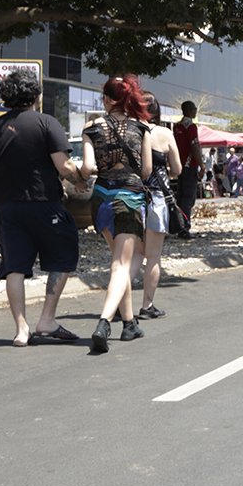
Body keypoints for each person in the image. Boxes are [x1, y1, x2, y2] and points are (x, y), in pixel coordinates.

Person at [0, 67, 85, 346]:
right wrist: (80, 180)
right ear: (36, 95)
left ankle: (21, 329)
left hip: (7, 210)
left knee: (14, 267)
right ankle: (47, 320)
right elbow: (64, 166)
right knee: (63, 258)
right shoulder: (46, 123)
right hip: (45, 205)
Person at [81, 75, 154, 353]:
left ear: (108, 100)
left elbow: (88, 168)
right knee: (121, 266)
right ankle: (104, 322)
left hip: (101, 199)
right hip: (130, 198)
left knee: (118, 263)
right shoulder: (142, 127)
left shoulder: (92, 128)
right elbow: (146, 171)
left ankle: (129, 323)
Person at [137, 94, 182, 319]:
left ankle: (118, 304)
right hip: (156, 199)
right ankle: (147, 306)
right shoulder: (164, 134)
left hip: (130, 197)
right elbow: (177, 169)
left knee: (129, 257)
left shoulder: (129, 131)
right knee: (153, 257)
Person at [172, 100, 202, 237]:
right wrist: (201, 164)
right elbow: (194, 146)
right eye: (195, 109)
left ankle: (178, 224)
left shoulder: (176, 127)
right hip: (190, 165)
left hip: (179, 164)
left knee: (181, 195)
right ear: (190, 111)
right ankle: (185, 226)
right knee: (189, 197)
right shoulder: (191, 127)